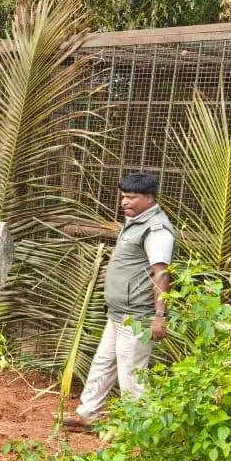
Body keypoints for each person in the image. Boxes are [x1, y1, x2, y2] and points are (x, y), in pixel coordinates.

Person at [66, 172, 176, 429]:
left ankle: (138, 430)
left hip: (137, 315)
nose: (124, 202)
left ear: (149, 199)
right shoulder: (135, 221)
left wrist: (160, 316)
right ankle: (88, 414)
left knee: (132, 375)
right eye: (123, 196)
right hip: (118, 312)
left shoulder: (156, 229)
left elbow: (161, 274)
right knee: (103, 362)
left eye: (131, 197)